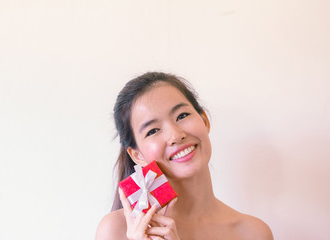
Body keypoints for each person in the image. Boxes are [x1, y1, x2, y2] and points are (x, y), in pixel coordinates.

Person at [95, 72, 273, 240]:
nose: (175, 135)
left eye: (182, 115)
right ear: (137, 155)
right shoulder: (117, 230)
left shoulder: (253, 233)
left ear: (204, 121)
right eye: (153, 130)